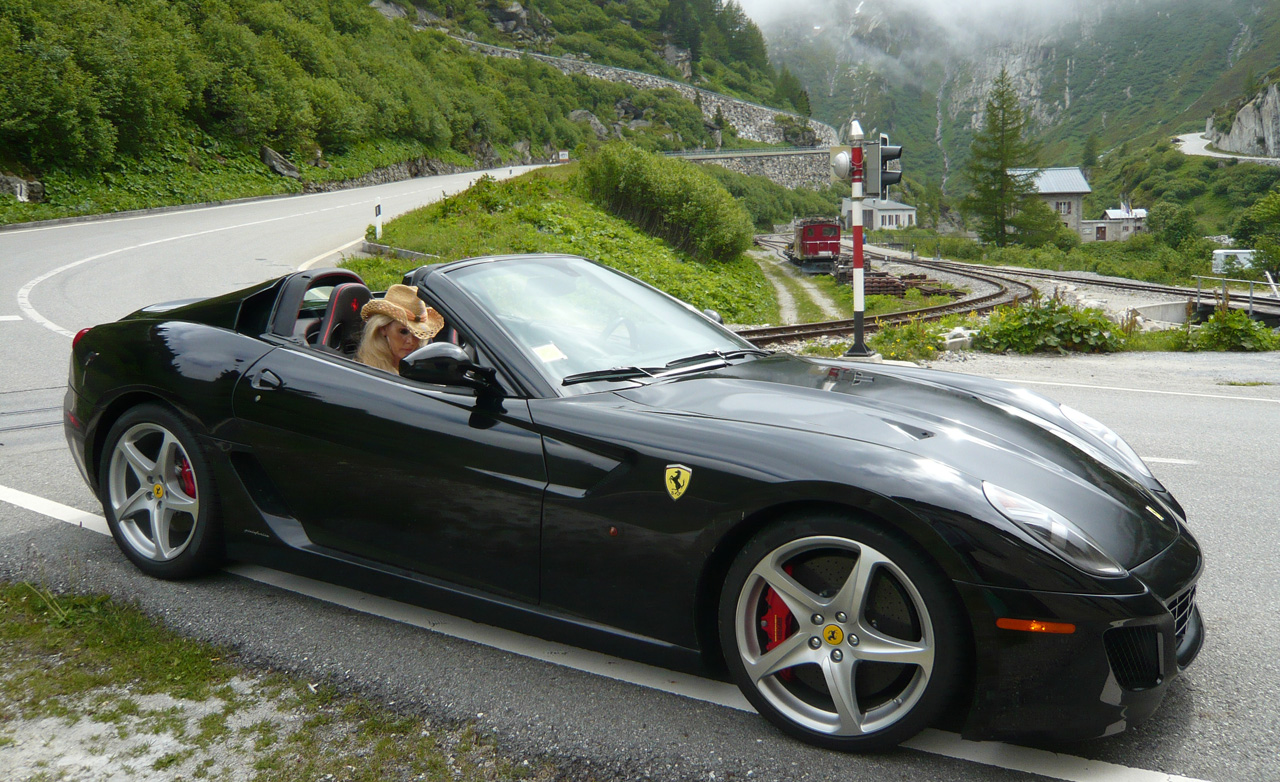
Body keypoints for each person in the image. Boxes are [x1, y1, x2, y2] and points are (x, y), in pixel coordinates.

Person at [356, 284, 444, 374]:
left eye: (417, 333)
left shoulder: (424, 367)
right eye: (403, 331)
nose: (411, 341)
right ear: (383, 329)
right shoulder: (368, 372)